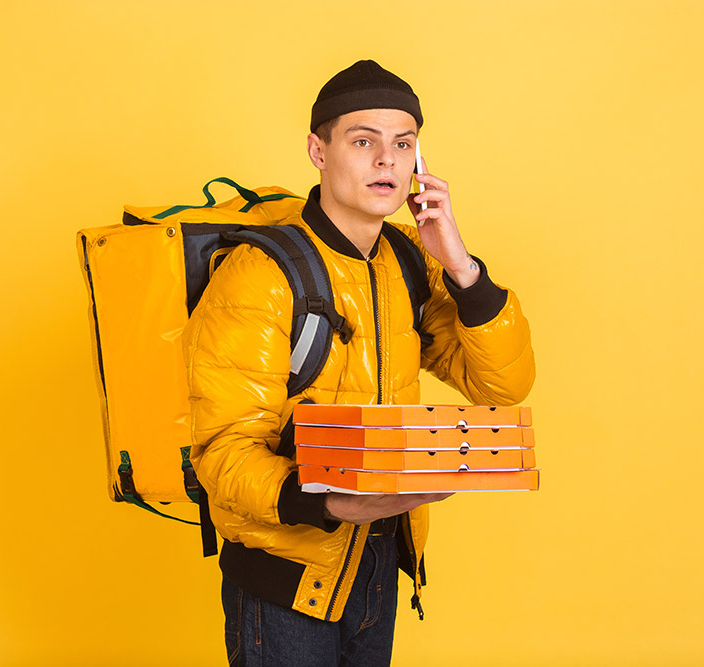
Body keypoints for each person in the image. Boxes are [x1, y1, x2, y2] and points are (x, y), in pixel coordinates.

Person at [183, 60, 535, 667]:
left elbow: (501, 385)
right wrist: (325, 504)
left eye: (402, 144)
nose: (386, 162)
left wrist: (462, 271)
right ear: (318, 151)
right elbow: (222, 450)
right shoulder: (260, 276)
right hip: (286, 575)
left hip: (378, 559)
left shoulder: (407, 262)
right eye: (363, 141)